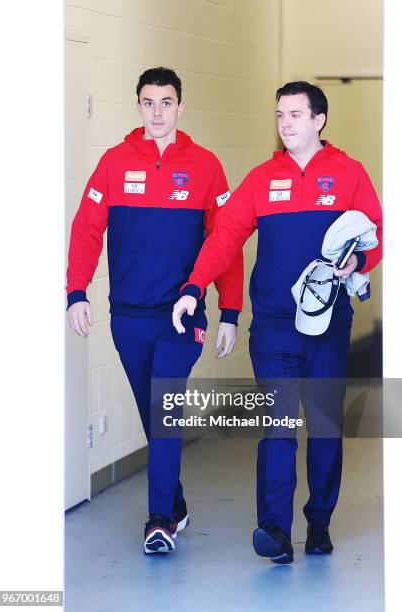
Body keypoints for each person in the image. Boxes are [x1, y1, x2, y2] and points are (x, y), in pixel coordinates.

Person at [173, 81, 383, 563]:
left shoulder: (349, 174)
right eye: (280, 115)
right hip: (272, 326)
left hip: (328, 325)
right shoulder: (262, 179)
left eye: (295, 114)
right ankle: (274, 529)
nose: (285, 123)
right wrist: (192, 287)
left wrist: (360, 262)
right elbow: (225, 236)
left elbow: (376, 233)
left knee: (325, 426)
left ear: (318, 120)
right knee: (279, 427)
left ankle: (320, 520)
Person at [66, 67, 243, 554]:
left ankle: (159, 519)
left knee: (164, 408)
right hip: (128, 314)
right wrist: (76, 291)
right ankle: (177, 503)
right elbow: (86, 230)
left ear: (180, 106)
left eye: (167, 102)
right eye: (149, 102)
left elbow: (225, 242)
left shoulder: (206, 166)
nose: (158, 111)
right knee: (153, 410)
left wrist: (229, 309)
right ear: (138, 106)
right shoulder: (114, 163)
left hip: (181, 315)